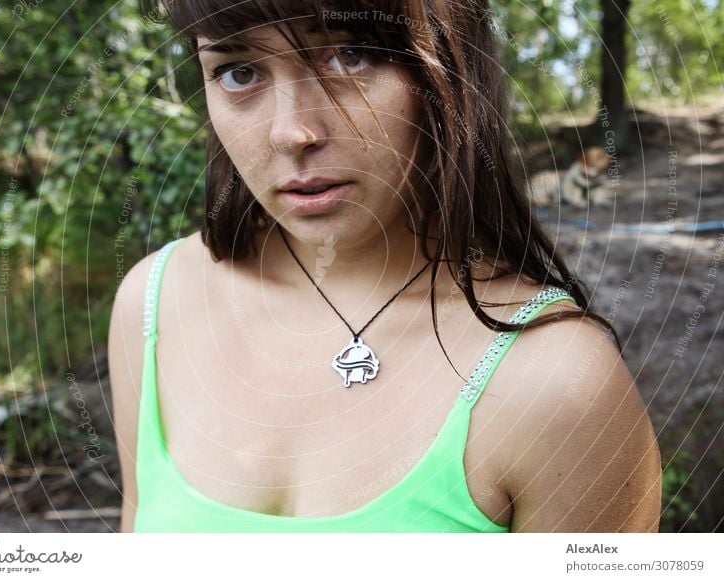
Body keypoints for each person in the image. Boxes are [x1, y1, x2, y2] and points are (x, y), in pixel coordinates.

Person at [108, 0, 662, 533]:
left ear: (451, 66)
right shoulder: (155, 305)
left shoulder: (559, 384)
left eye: (350, 56)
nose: (292, 132)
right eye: (239, 71)